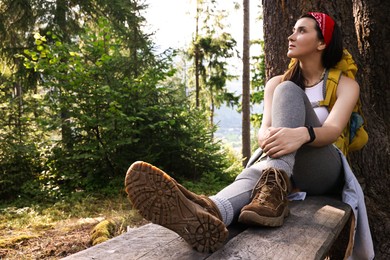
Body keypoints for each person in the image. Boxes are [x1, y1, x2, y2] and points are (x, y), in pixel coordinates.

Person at [125, 12, 374, 258]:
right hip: (284, 171)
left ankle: (271, 186)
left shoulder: (345, 84)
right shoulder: (275, 83)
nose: (291, 36)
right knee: (256, 173)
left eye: (302, 30)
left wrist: (302, 135)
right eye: (293, 29)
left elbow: (332, 131)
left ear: (322, 43)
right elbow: (264, 129)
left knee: (288, 93)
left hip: (322, 170)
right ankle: (207, 212)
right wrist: (266, 137)